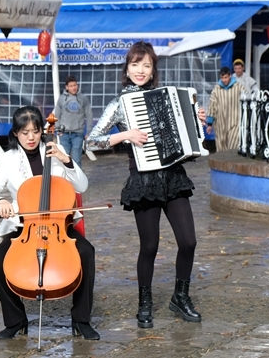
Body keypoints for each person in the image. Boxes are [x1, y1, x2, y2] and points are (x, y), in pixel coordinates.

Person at [86, 41, 202, 329]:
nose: (140, 70)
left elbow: (185, 135)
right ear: (127, 69)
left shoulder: (166, 97)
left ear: (153, 71)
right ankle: (145, 303)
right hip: (144, 180)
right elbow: (92, 141)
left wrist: (196, 120)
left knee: (189, 241)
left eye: (146, 65)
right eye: (135, 64)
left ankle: (180, 297)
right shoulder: (119, 104)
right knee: (149, 246)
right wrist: (125, 135)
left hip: (173, 177)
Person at [0, 106, 99, 340]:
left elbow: (82, 186)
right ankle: (16, 320)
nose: (31, 137)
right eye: (25, 133)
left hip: (59, 225)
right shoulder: (7, 160)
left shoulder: (55, 151)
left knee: (86, 252)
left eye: (35, 131)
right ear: (15, 133)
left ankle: (81, 320)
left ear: (42, 131)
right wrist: (0, 202)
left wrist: (66, 160)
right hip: (25, 227)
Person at [54, 75, 93, 167]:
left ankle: (77, 176)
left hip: (77, 134)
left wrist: (89, 132)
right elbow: (57, 115)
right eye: (71, 86)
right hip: (64, 134)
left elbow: (89, 115)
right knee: (64, 158)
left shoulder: (83, 98)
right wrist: (58, 130)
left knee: (76, 160)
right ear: (67, 87)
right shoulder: (61, 98)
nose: (74, 88)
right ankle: (65, 176)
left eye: (75, 85)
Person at [206, 66, 246, 152]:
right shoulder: (216, 89)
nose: (224, 80)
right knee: (221, 148)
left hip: (235, 122)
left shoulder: (239, 87)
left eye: (225, 77)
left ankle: (233, 160)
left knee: (233, 146)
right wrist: (209, 123)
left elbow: (246, 101)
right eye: (222, 78)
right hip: (220, 123)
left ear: (230, 75)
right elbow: (212, 105)